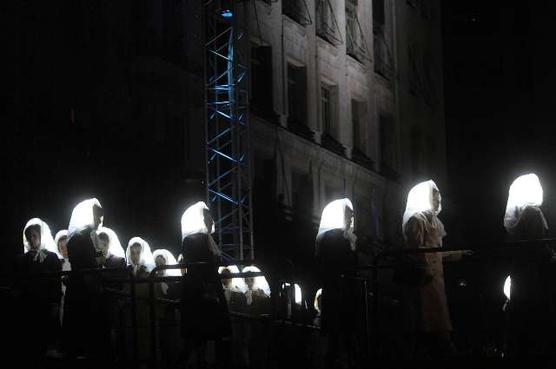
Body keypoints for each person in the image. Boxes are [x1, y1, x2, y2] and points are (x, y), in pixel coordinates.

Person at [402, 180, 470, 358]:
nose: (438, 202)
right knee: (427, 322)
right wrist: (426, 268)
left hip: (436, 281)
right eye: (435, 198)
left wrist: (459, 254)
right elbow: (414, 249)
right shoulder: (416, 221)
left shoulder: (436, 223)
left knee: (438, 320)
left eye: (439, 199)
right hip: (423, 279)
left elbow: (439, 252)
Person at [503, 173, 554, 356]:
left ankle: (519, 348)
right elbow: (538, 242)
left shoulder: (520, 213)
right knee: (536, 307)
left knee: (521, 304)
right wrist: (550, 255)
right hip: (533, 270)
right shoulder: (532, 212)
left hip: (519, 269)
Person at [179, 201, 231, 368]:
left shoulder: (202, 239)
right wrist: (207, 289)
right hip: (202, 292)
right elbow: (200, 268)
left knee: (204, 333)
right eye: (208, 217)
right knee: (203, 330)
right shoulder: (196, 239)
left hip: (204, 290)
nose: (211, 220)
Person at [63, 198, 109, 364]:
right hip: (83, 294)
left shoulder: (82, 237)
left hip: (82, 291)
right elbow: (84, 266)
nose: (99, 220)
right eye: (96, 216)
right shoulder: (80, 238)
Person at [315, 198, 360, 369]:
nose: (351, 219)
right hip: (339, 294)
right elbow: (346, 263)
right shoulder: (334, 238)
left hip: (340, 293)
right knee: (340, 337)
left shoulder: (338, 238)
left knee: (338, 339)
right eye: (348, 215)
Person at [14, 218, 62, 364]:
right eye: (29, 236)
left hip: (47, 303)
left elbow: (56, 282)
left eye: (34, 235)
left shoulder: (52, 257)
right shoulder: (23, 259)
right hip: (30, 303)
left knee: (47, 337)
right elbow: (21, 280)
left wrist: (55, 302)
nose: (31, 239)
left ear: (41, 236)